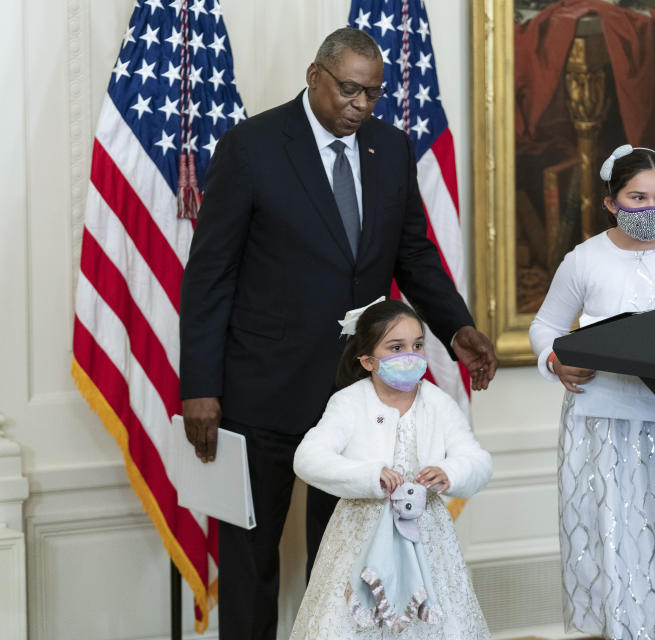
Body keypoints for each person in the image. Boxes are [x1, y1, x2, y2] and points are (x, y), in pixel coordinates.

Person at [178, 28, 497, 640]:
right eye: (349, 89)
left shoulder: (391, 149)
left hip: (356, 395)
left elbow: (413, 252)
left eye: (373, 94)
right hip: (261, 390)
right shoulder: (252, 146)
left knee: (351, 558)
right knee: (252, 558)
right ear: (314, 76)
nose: (360, 105)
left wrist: (456, 326)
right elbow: (209, 276)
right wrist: (200, 387)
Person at [529, 146, 655, 640]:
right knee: (620, 536)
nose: (652, 208)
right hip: (604, 424)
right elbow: (546, 326)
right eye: (637, 197)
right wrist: (554, 360)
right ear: (611, 203)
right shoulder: (585, 260)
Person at [289, 299, 492, 639]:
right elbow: (307, 458)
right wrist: (370, 475)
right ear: (368, 360)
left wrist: (449, 471)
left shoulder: (437, 402)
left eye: (417, 345)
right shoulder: (349, 402)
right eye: (396, 347)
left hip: (427, 538)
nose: (410, 355)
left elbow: (478, 460)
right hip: (360, 537)